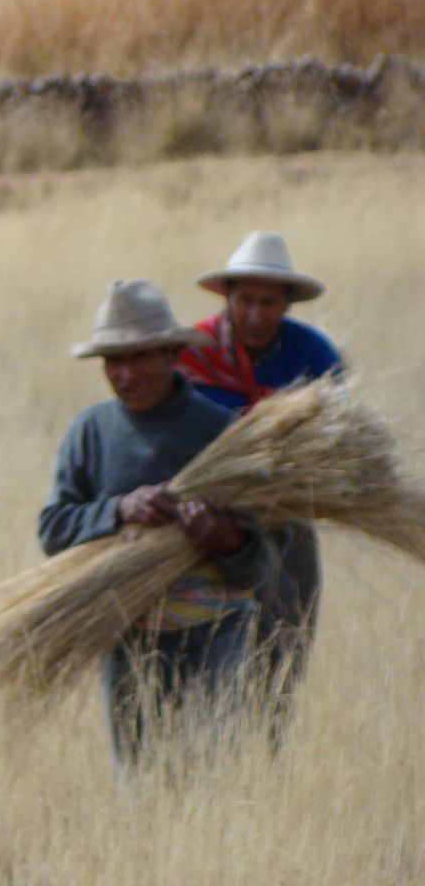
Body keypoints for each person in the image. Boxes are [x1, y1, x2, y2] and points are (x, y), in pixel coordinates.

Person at [39, 280, 272, 775]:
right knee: (142, 781)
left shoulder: (221, 432)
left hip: (217, 631)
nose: (125, 374)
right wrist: (119, 508)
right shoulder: (91, 432)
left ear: (172, 353)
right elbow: (54, 529)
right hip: (129, 635)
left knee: (216, 775)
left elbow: (258, 559)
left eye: (140, 357)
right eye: (113, 361)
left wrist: (222, 537)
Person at [178, 231, 344, 704]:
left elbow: (334, 439)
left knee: (281, 653)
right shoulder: (190, 353)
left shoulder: (314, 355)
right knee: (205, 659)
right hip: (202, 525)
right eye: (245, 300)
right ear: (227, 297)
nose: (255, 314)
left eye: (268, 302)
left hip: (285, 520)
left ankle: (267, 760)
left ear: (288, 303)